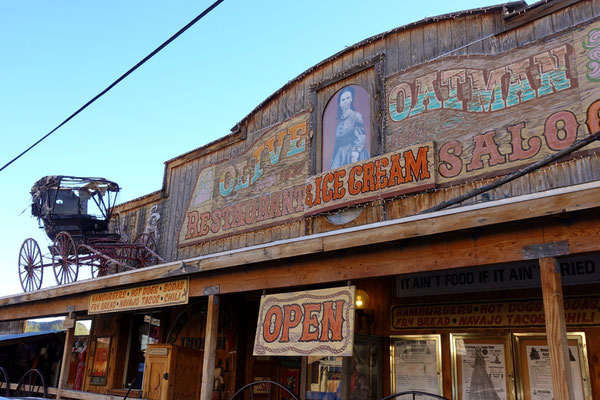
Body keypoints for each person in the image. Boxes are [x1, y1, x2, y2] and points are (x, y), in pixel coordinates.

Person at [330, 86, 369, 170]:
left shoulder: (356, 116)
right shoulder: (339, 124)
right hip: (340, 157)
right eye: (343, 100)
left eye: (348, 98)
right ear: (340, 104)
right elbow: (337, 144)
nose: (345, 101)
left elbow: (360, 137)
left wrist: (355, 154)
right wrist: (333, 160)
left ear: (351, 99)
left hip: (353, 153)